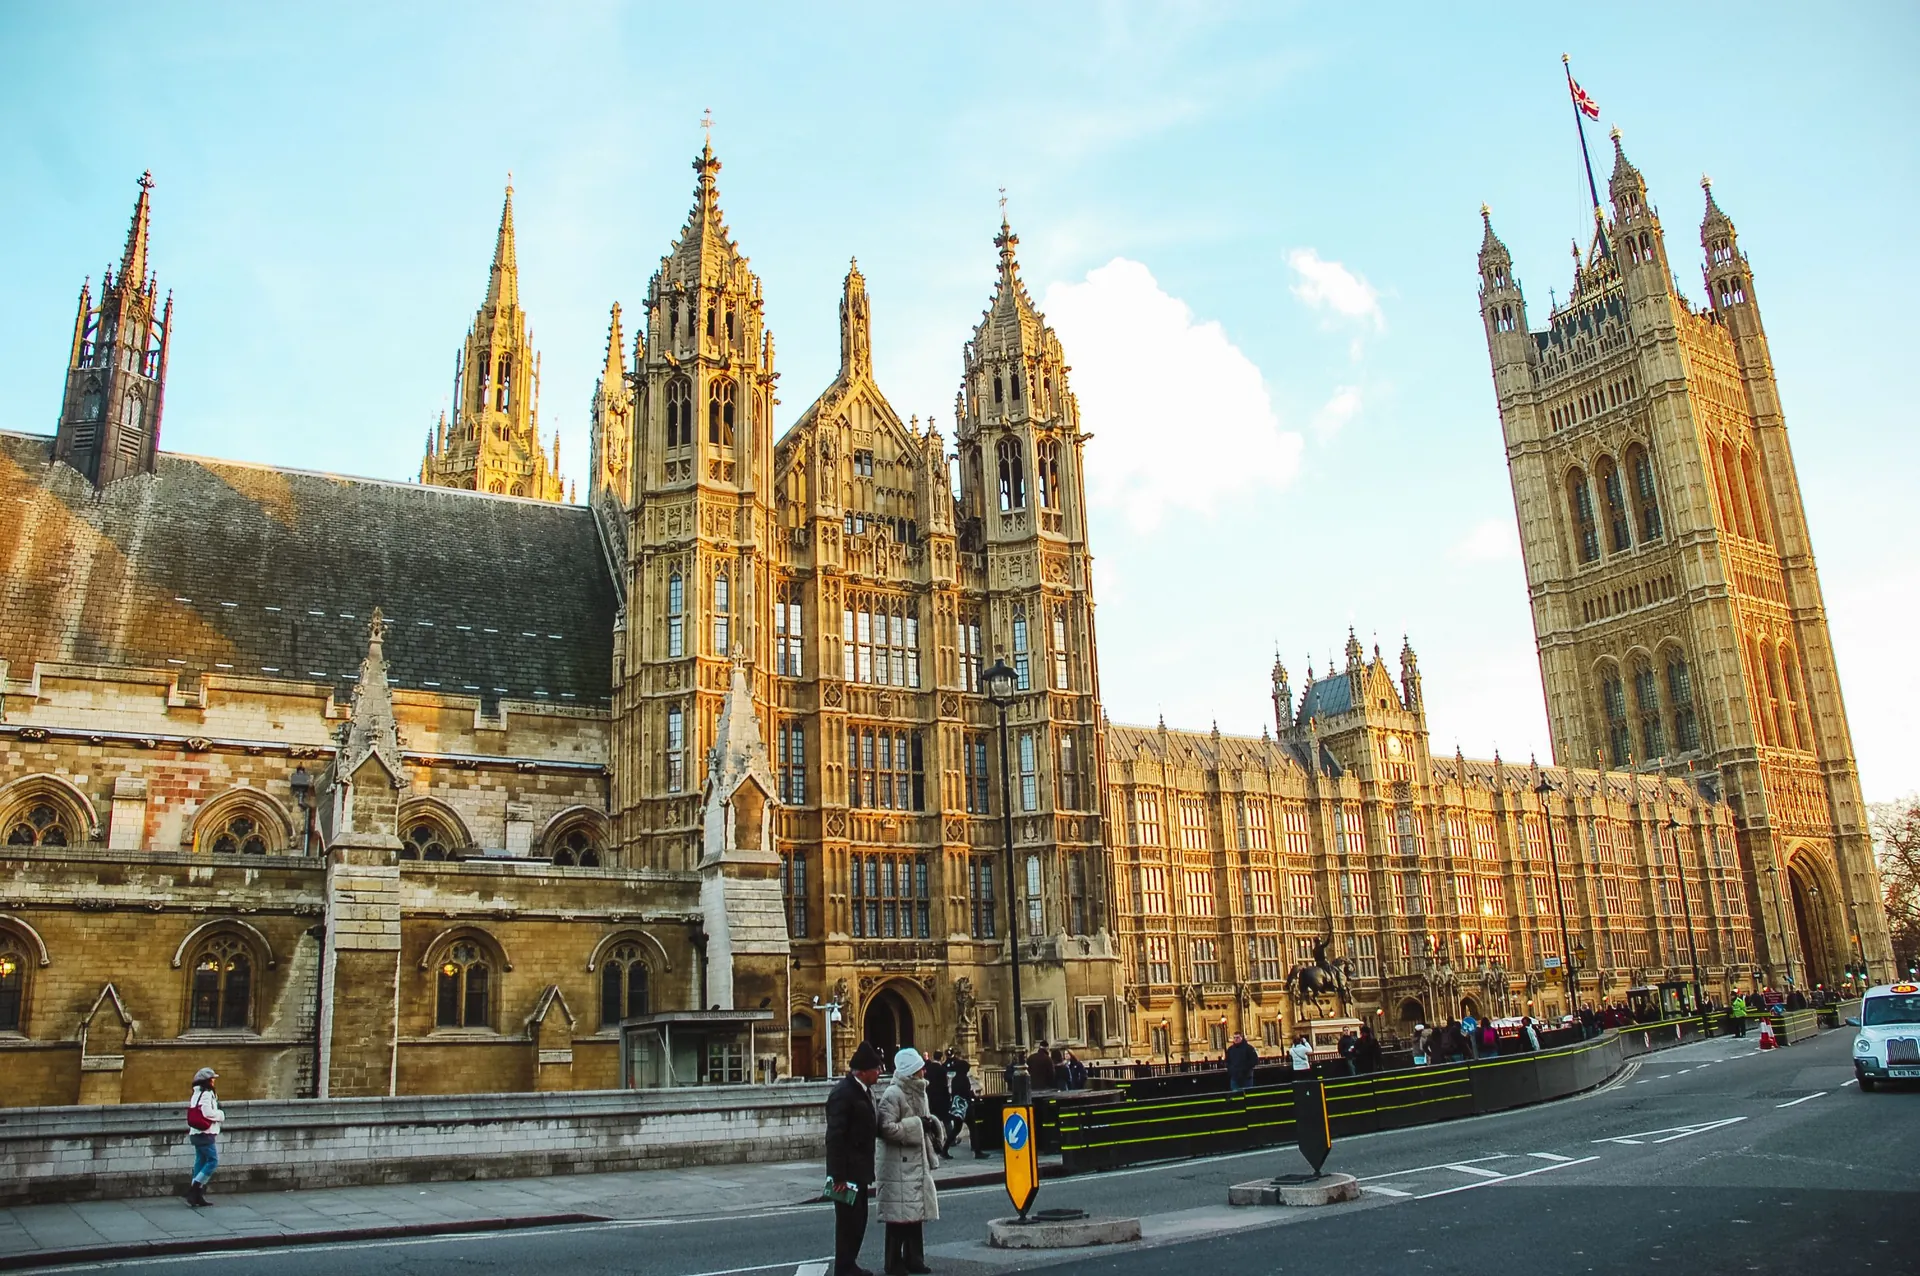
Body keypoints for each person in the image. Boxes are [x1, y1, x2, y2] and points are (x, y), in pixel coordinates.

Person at [876, 1046, 942, 1276]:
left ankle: (914, 1259)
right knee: (898, 1217)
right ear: (910, 1072)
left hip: (917, 1161)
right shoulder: (892, 1094)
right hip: (898, 1164)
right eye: (920, 1069)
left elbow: (923, 1121)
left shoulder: (920, 1091)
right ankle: (893, 1263)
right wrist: (916, 1126)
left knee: (916, 1214)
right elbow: (885, 1128)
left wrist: (932, 1126)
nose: (924, 1072)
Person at [826, 1041, 884, 1276]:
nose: (880, 1072)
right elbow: (835, 1137)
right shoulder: (844, 1093)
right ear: (862, 1071)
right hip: (847, 1171)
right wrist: (837, 1175)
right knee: (848, 1223)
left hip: (860, 1169)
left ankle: (849, 1264)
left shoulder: (863, 1091)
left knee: (858, 1220)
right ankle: (844, 1267)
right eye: (876, 1068)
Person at [184, 1066, 224, 1207]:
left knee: (200, 1161)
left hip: (196, 1133)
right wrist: (220, 1115)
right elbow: (207, 1113)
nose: (214, 1081)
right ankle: (194, 1188)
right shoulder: (207, 1094)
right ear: (206, 1081)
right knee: (212, 1161)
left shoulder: (196, 1094)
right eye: (212, 1079)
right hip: (205, 1134)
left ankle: (197, 1195)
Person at [922, 1051, 952, 1160]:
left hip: (931, 1098)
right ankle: (950, 1139)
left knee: (932, 1120)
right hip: (941, 1099)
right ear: (941, 1057)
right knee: (946, 1120)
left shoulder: (928, 1069)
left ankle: (933, 1140)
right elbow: (945, 1086)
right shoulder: (942, 1070)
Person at [943, 1052, 972, 1152]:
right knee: (973, 1127)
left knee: (956, 1129)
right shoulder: (964, 1079)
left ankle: (945, 1149)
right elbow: (966, 1092)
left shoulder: (955, 1079)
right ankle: (977, 1150)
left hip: (957, 1107)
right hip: (965, 1107)